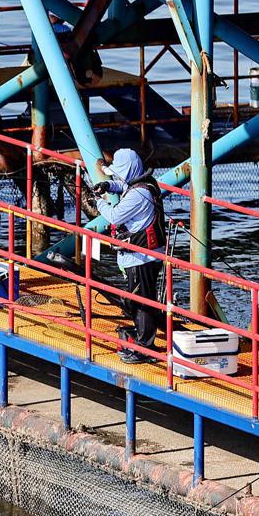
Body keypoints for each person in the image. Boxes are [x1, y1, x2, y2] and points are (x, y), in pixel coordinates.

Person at [93, 148, 166, 364]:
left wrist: (98, 201)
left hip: (142, 258)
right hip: (145, 255)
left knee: (141, 301)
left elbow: (114, 216)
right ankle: (144, 340)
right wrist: (108, 186)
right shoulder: (146, 183)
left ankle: (145, 348)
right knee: (140, 298)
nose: (118, 177)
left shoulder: (138, 195)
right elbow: (124, 185)